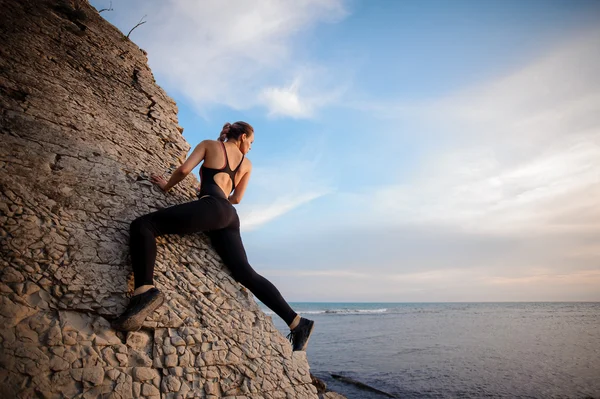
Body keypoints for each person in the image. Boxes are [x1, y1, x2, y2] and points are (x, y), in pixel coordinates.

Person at [111, 121, 314, 351]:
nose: (251, 147)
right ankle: (297, 323)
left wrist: (166, 186)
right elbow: (236, 198)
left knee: (143, 226)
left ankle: (144, 292)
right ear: (243, 136)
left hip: (212, 208)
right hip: (230, 216)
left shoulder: (209, 145)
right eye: (252, 142)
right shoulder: (247, 164)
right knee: (245, 273)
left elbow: (184, 170)